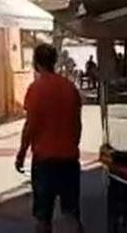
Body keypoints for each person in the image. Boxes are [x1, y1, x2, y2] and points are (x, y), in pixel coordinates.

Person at [17, 43, 84, 232]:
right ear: (54, 61)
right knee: (71, 214)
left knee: (43, 217)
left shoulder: (35, 90)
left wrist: (22, 153)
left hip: (45, 161)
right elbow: (78, 124)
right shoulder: (69, 87)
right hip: (69, 159)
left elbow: (31, 126)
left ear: (36, 63)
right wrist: (72, 145)